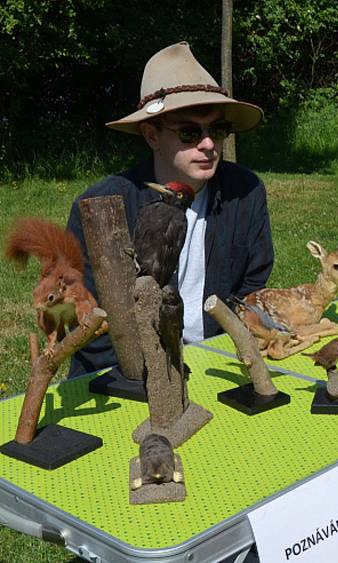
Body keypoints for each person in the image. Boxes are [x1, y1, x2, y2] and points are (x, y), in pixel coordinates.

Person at [65, 41, 274, 377]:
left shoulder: (244, 192)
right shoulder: (102, 208)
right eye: (190, 132)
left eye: (217, 130)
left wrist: (223, 353)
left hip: (216, 364)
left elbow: (253, 282)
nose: (208, 144)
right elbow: (83, 313)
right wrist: (146, 374)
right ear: (151, 135)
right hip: (120, 375)